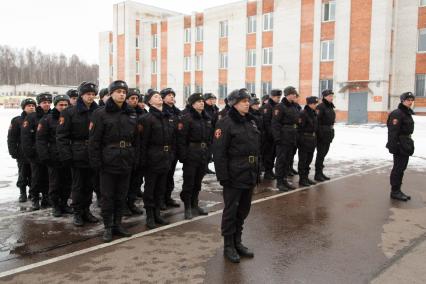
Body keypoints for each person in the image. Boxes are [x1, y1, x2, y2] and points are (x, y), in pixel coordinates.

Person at [213, 88, 260, 263]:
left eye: (248, 100)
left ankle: (237, 241)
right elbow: (219, 152)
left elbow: (256, 149)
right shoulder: (225, 123)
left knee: (243, 209)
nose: (247, 103)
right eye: (243, 101)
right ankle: (228, 245)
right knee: (231, 211)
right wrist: (223, 176)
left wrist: (257, 172)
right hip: (233, 174)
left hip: (249, 172)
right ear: (234, 104)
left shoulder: (251, 122)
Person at [89, 80, 138, 242]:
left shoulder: (131, 112)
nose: (122, 94)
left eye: (124, 92)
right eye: (118, 92)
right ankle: (108, 227)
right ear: (111, 94)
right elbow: (94, 141)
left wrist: (134, 158)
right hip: (108, 159)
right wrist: (96, 162)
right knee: (108, 196)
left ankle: (118, 224)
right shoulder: (100, 113)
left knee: (121, 195)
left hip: (126, 158)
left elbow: (136, 138)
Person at [57, 82, 99, 226]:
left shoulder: (98, 111)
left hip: (93, 153)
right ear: (81, 95)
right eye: (88, 94)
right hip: (77, 153)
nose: (91, 97)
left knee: (90, 184)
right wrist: (66, 155)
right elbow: (62, 137)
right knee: (78, 185)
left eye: (93, 94)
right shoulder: (69, 112)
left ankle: (86, 210)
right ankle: (77, 212)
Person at [139, 90, 176, 229]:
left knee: (161, 187)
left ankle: (157, 214)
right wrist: (143, 161)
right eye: (155, 96)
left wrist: (171, 155)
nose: (159, 98)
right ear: (149, 102)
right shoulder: (146, 119)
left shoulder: (167, 117)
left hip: (165, 157)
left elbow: (172, 139)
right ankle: (149, 216)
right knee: (150, 188)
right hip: (152, 158)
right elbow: (143, 142)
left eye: (159, 96)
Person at [36, 94, 72, 217]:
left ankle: (64, 204)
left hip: (68, 155)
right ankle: (55, 205)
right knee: (55, 183)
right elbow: (40, 140)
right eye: (60, 105)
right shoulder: (47, 119)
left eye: (66, 105)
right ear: (55, 105)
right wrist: (44, 156)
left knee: (68, 182)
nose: (63, 107)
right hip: (54, 156)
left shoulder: (71, 117)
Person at [177, 93, 212, 220]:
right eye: (198, 101)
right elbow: (181, 139)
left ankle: (195, 205)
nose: (201, 103)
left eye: (202, 101)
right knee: (189, 182)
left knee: (198, 182)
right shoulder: (187, 118)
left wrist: (209, 153)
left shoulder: (206, 118)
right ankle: (187, 207)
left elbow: (210, 138)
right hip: (191, 153)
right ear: (192, 104)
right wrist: (183, 156)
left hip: (203, 153)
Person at [21, 93, 52, 210]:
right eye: (44, 102)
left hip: (48, 153)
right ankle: (35, 198)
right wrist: (30, 153)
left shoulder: (53, 115)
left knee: (48, 177)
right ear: (39, 103)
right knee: (36, 177)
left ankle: (46, 197)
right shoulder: (31, 117)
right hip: (36, 154)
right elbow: (25, 137)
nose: (47, 104)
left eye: (49, 102)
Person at [386, 92, 416, 202]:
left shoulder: (406, 113)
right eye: (408, 100)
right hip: (399, 144)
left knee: (402, 168)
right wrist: (393, 146)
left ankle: (398, 190)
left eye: (412, 100)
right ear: (402, 100)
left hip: (405, 143)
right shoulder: (397, 113)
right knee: (398, 168)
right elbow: (392, 132)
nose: (410, 102)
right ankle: (395, 191)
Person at [7, 98, 36, 202]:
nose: (31, 107)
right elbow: (11, 138)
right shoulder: (17, 120)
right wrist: (13, 151)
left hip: (35, 152)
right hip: (22, 153)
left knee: (35, 174)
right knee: (23, 173)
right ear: (24, 108)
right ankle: (22, 193)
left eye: (33, 105)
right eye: (29, 106)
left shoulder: (39, 119)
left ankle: (33, 193)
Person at [272, 86, 300, 191]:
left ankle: (284, 180)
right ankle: (279, 182)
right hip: (283, 137)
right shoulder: (280, 107)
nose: (294, 95)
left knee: (288, 160)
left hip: (292, 136)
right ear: (288, 94)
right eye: (293, 94)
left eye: (295, 94)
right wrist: (277, 138)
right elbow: (275, 123)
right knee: (281, 160)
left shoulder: (294, 106)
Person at [122, 88, 144, 216]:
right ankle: (124, 204)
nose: (135, 101)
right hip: (127, 150)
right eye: (132, 98)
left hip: (139, 149)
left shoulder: (142, 113)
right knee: (126, 181)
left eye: (137, 98)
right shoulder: (124, 112)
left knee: (136, 180)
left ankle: (131, 202)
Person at [161, 88, 181, 209]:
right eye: (169, 95)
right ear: (163, 98)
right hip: (163, 149)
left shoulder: (177, 112)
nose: (172, 97)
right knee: (163, 176)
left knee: (170, 175)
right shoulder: (162, 111)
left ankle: (167, 197)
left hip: (174, 148)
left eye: (173, 95)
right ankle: (161, 199)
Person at [259, 89, 282, 180]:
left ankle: (270, 171)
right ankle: (267, 172)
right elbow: (266, 123)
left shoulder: (278, 106)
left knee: (273, 154)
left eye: (279, 97)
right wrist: (271, 134)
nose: (279, 99)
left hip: (275, 135)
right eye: (277, 97)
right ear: (272, 97)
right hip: (268, 136)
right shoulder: (267, 107)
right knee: (268, 155)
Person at [314, 89, 336, 181]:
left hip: (328, 133)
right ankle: (317, 174)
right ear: (325, 97)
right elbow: (316, 121)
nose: (331, 98)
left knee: (324, 154)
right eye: (330, 96)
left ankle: (320, 173)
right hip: (322, 134)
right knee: (320, 154)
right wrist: (319, 133)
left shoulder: (330, 107)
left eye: (332, 96)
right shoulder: (321, 107)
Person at [297, 96, 319, 186]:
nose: (315, 105)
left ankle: (306, 177)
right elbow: (299, 128)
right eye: (314, 104)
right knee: (303, 160)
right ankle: (302, 179)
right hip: (304, 140)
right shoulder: (303, 113)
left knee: (308, 160)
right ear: (310, 104)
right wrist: (300, 141)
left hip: (312, 140)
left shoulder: (313, 113)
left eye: (316, 104)